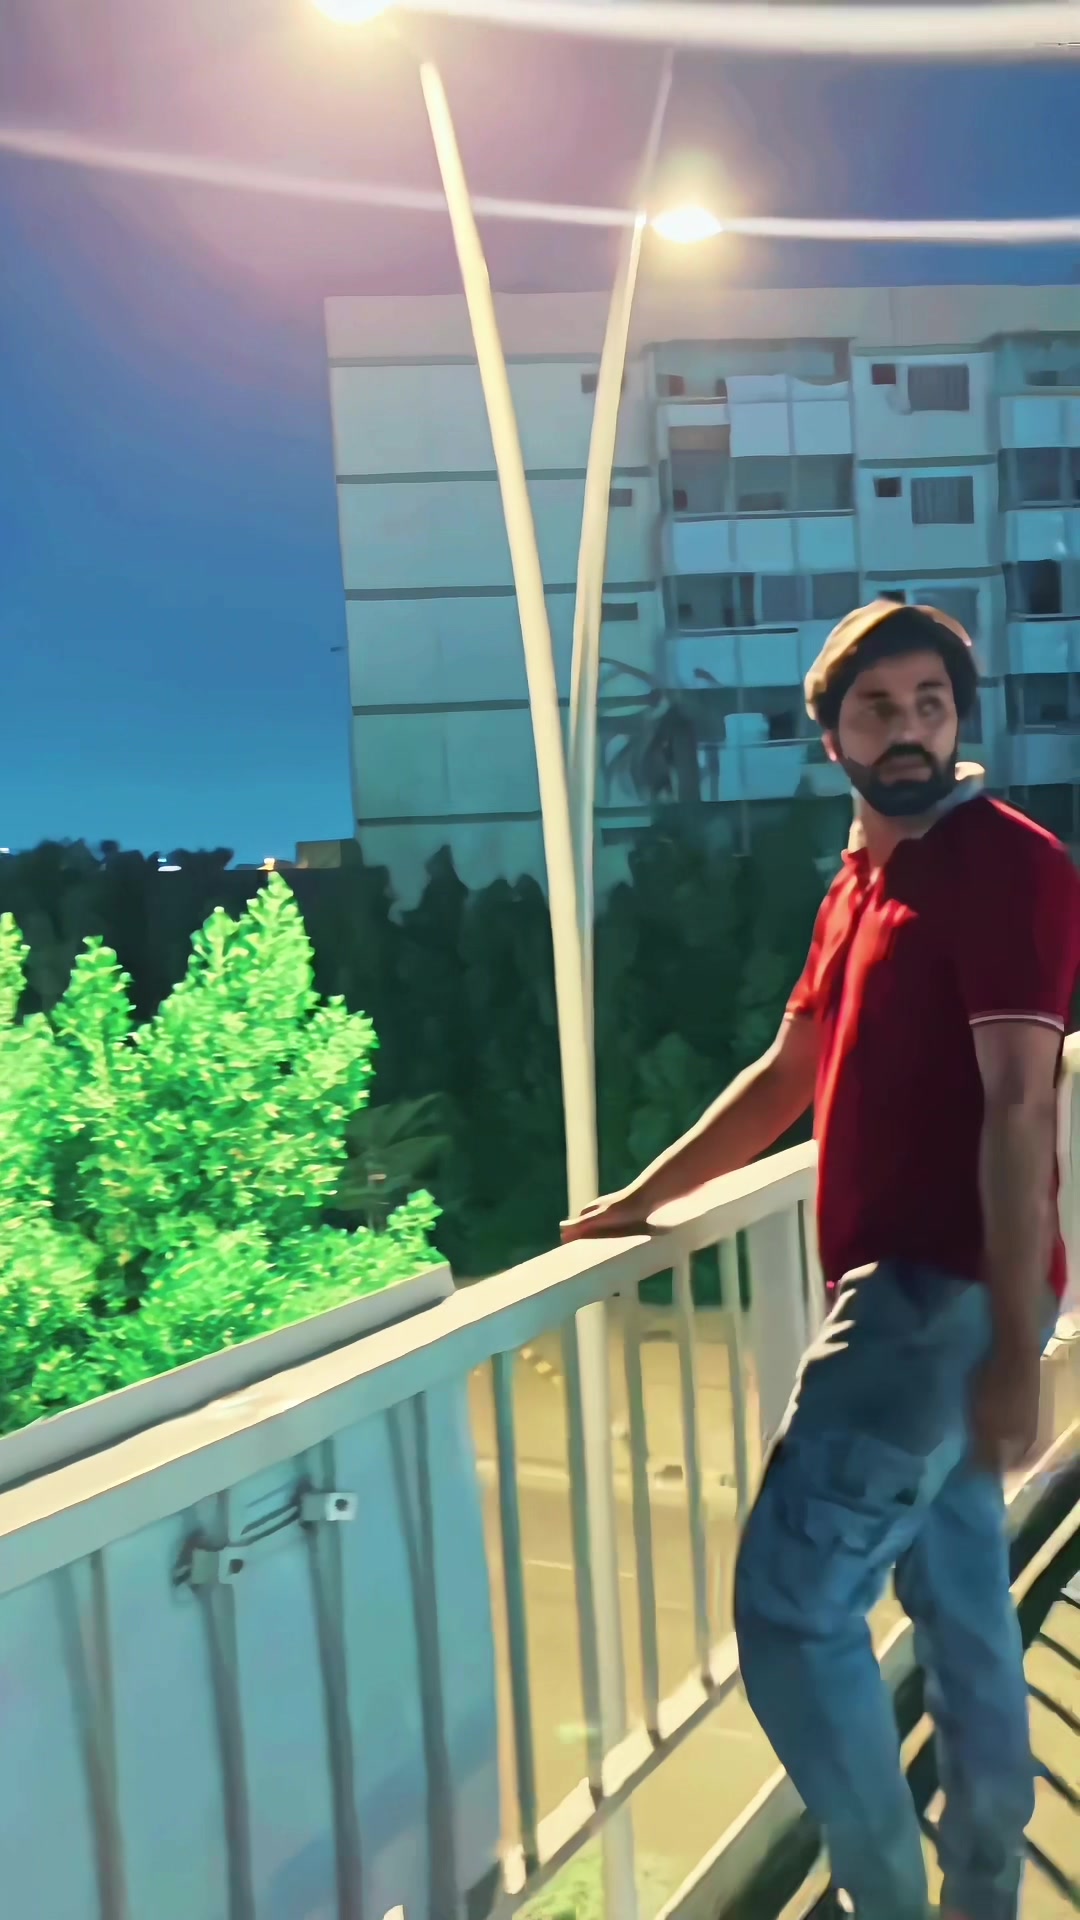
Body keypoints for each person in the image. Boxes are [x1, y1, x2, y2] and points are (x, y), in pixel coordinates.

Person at [563, 599, 1080, 1920]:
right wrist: (642, 1197)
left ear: (959, 722)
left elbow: (1023, 1104)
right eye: (877, 709)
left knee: (794, 1611)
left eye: (930, 706)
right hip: (918, 1294)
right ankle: (982, 1895)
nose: (908, 731)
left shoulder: (1008, 864)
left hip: (934, 1296)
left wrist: (1014, 1349)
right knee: (961, 1598)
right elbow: (789, 1072)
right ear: (832, 735)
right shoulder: (862, 883)